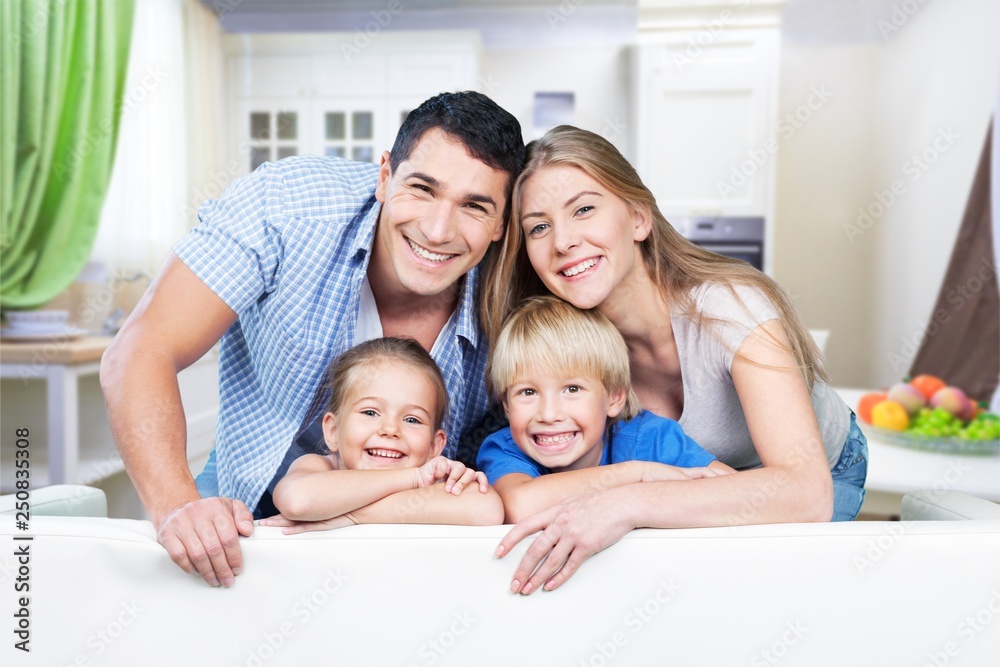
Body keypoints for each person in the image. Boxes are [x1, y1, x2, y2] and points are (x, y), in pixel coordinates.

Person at [100, 92, 524, 587]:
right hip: (247, 491)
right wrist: (177, 506)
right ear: (385, 175)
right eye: (422, 189)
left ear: (500, 224)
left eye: (474, 206)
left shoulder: (517, 288)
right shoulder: (288, 206)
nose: (436, 229)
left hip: (413, 523)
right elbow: (141, 348)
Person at [481, 125, 868, 594]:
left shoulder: (727, 308)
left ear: (639, 218)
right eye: (539, 227)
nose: (562, 241)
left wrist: (628, 501)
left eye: (584, 209)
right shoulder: (566, 345)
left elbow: (806, 495)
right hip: (688, 480)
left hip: (817, 473)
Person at [476, 295, 734, 527]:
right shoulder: (505, 449)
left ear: (614, 397)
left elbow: (734, 491)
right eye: (528, 393)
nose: (549, 414)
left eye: (572, 389)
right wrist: (639, 474)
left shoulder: (649, 437)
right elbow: (520, 506)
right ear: (507, 405)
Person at [258, 337, 502, 531]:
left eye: (411, 419)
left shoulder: (433, 478)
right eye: (370, 412)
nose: (390, 430)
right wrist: (414, 479)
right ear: (333, 431)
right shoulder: (320, 466)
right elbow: (298, 501)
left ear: (433, 447)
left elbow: (487, 509)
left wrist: (354, 516)